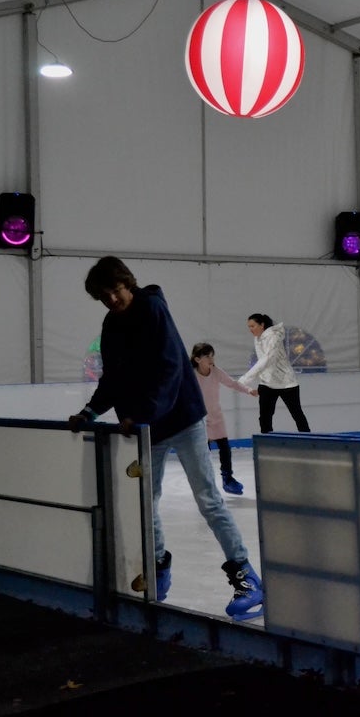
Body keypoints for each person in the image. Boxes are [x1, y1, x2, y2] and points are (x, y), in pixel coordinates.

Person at [67, 256, 264, 621]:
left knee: (208, 500)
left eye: (115, 290)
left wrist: (143, 412)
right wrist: (90, 411)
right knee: (146, 501)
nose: (111, 299)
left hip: (182, 417)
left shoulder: (152, 308)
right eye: (104, 296)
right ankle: (158, 566)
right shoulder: (112, 324)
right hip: (147, 426)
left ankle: (246, 578)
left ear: (128, 283)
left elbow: (171, 365)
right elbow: (114, 377)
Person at [191, 342, 258, 495]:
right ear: (197, 359)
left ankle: (228, 479)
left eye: (212, 356)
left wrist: (249, 390)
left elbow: (232, 383)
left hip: (216, 417)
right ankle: (205, 483)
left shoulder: (216, 372)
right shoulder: (192, 375)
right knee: (204, 452)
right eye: (207, 356)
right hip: (200, 418)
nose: (211, 359)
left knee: (225, 449)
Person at [239, 313, 310, 433]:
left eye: (253, 326)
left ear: (262, 325)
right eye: (249, 327)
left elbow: (266, 359)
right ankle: (266, 441)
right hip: (267, 383)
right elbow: (263, 362)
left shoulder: (273, 337)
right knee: (264, 417)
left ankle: (308, 440)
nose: (250, 329)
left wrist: (245, 379)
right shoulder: (257, 339)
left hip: (286, 383)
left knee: (297, 414)